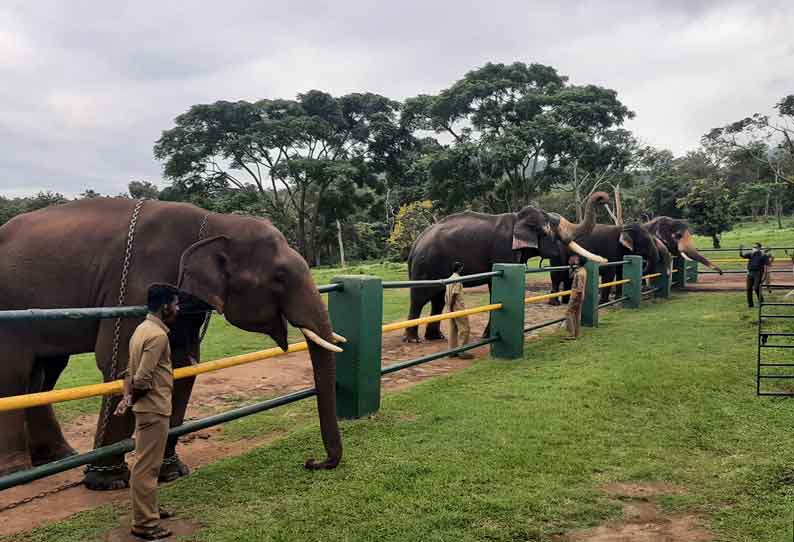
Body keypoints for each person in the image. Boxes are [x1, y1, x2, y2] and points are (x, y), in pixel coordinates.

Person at [124, 285, 180, 540]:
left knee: (149, 465)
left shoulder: (141, 330)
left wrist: (127, 398)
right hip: (154, 408)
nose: (178, 309)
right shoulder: (158, 336)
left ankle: (151, 510)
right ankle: (145, 524)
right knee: (146, 468)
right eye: (176, 304)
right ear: (165, 306)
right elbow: (143, 378)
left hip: (147, 407)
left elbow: (129, 371)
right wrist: (130, 399)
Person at [445, 261, 473, 359]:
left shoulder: (449, 279)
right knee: (464, 328)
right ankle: (462, 351)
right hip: (457, 307)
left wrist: (449, 307)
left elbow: (447, 295)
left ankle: (452, 351)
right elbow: (454, 294)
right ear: (460, 268)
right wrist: (453, 306)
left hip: (450, 307)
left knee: (453, 329)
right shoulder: (458, 279)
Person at [740, 243, 771, 308]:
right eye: (753, 247)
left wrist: (764, 276)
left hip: (758, 273)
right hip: (750, 273)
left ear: (759, 248)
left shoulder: (763, 255)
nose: (754, 248)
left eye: (755, 247)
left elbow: (768, 264)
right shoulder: (751, 254)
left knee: (756, 288)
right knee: (748, 289)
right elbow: (742, 256)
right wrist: (741, 249)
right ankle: (750, 305)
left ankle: (761, 301)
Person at [565, 254, 587, 340]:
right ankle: (576, 333)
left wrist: (577, 298)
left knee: (568, 313)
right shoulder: (582, 270)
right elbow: (570, 276)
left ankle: (571, 334)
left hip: (576, 296)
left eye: (577, 259)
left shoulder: (579, 274)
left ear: (578, 261)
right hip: (579, 296)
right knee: (577, 314)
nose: (575, 260)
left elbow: (579, 288)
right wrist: (571, 266)